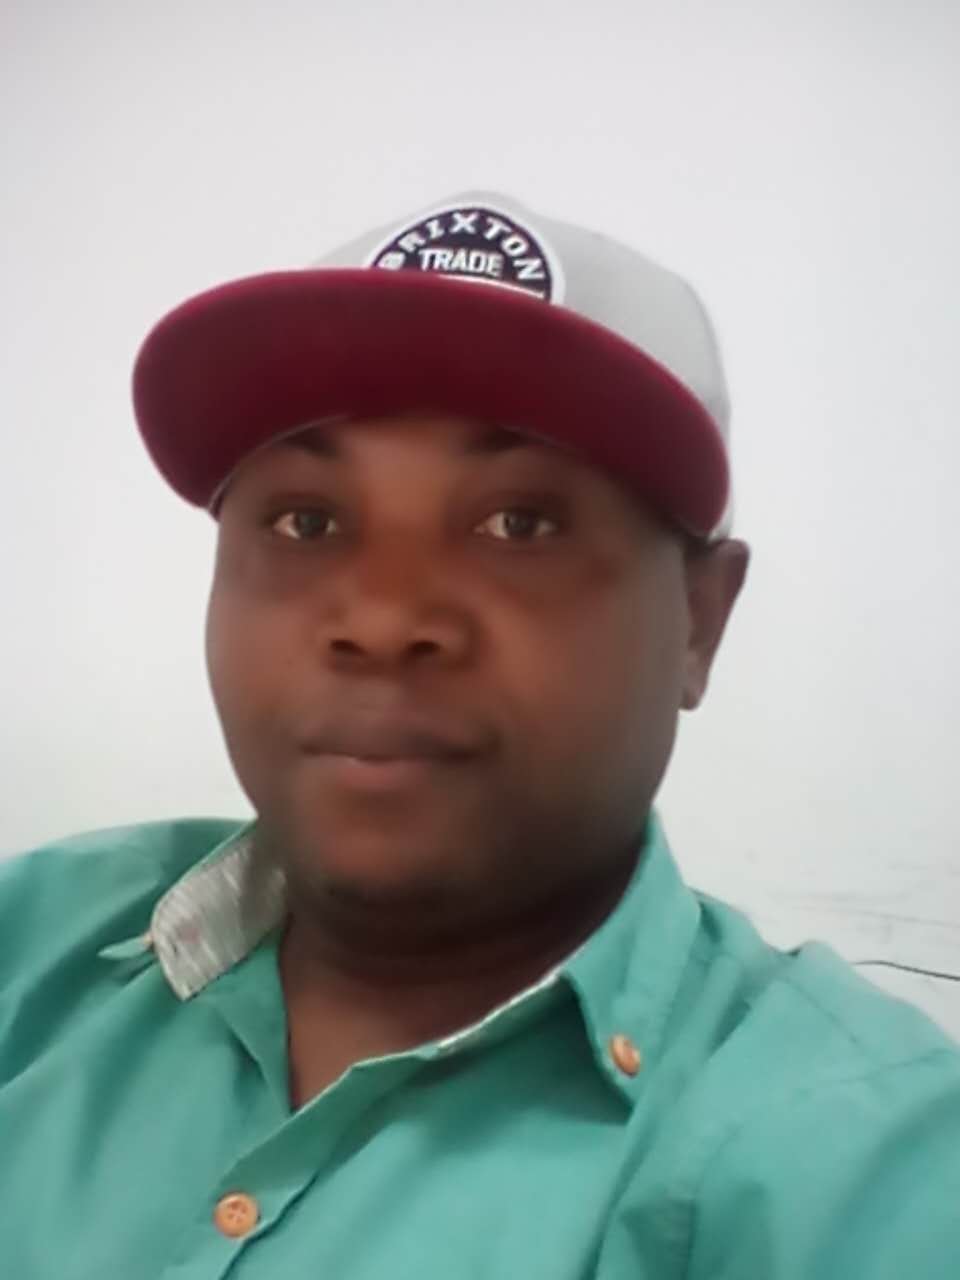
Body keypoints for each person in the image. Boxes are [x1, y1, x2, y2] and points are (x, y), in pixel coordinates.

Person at [2, 192, 957, 1279]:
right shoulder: (33, 950)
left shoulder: (855, 1165)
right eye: (308, 520)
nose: (382, 617)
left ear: (699, 621)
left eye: (520, 523)